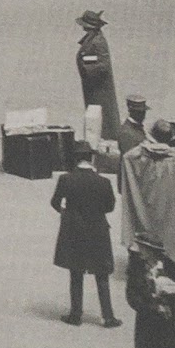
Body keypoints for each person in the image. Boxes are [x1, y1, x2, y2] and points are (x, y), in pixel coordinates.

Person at [51, 139, 122, 328]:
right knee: (102, 274)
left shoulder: (66, 179)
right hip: (98, 230)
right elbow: (110, 206)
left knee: (76, 273)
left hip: (74, 230)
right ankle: (108, 316)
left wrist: (66, 213)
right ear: (91, 158)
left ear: (75, 159)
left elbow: (55, 202)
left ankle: (76, 314)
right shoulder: (103, 182)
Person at [120, 120, 175, 277]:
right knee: (169, 235)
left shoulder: (138, 154)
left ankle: (144, 267)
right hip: (169, 205)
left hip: (146, 202)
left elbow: (127, 159)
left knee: (145, 235)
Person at [74, 9, 121, 142]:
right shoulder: (92, 38)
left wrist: (86, 67)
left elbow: (103, 65)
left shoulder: (98, 41)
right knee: (96, 117)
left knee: (103, 118)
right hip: (93, 88)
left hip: (99, 89)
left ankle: (106, 141)